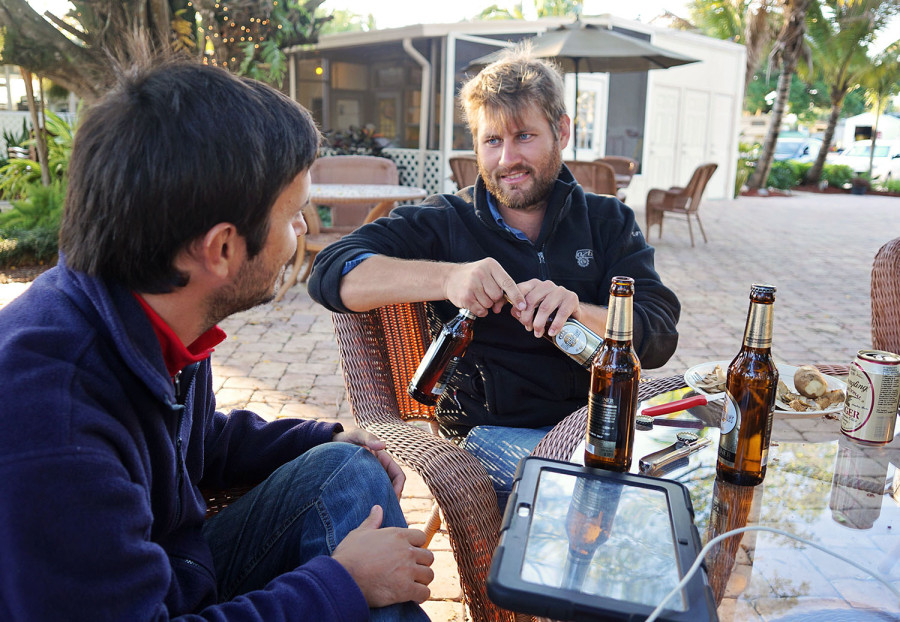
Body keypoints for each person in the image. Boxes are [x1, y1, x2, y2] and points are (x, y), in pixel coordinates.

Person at [0, 59, 434, 621]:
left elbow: (193, 440)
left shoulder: (151, 312)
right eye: (294, 214)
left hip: (179, 567)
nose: (302, 231)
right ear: (222, 248)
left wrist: (323, 436)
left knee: (344, 467)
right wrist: (341, 584)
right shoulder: (52, 429)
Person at [308, 46, 680, 508]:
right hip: (491, 432)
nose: (508, 159)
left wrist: (579, 311)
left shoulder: (607, 221)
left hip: (601, 422)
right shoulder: (446, 220)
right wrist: (448, 280)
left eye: (524, 136)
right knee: (585, 495)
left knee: (679, 489)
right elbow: (332, 271)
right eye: (492, 141)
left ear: (561, 130)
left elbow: (660, 331)